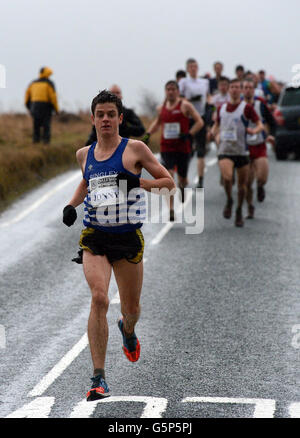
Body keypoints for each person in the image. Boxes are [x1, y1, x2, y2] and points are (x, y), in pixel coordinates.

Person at [62, 90, 175, 401]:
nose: (106, 119)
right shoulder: (83, 154)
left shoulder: (135, 149)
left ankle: (128, 329)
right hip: (95, 236)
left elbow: (168, 184)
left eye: (112, 114)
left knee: (131, 309)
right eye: (101, 114)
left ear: (120, 118)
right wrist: (72, 206)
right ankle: (99, 379)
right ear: (93, 119)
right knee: (99, 298)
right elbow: (87, 181)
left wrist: (139, 182)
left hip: (127, 238)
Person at [143, 80, 204, 220]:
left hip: (183, 148)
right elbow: (157, 123)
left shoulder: (185, 105)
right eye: (168, 89)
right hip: (167, 148)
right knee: (168, 176)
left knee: (182, 178)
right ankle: (170, 209)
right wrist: (148, 134)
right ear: (165, 91)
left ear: (177, 91)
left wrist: (189, 134)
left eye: (173, 89)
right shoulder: (161, 108)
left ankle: (183, 187)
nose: (170, 92)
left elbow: (200, 122)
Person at [211, 79, 264, 227]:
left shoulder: (246, 108)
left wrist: (255, 130)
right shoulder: (221, 108)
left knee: (242, 186)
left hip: (241, 151)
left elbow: (259, 123)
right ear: (228, 90)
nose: (234, 90)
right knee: (227, 178)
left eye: (236, 87)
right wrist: (213, 133)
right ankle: (229, 199)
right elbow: (216, 125)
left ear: (240, 91)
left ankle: (239, 210)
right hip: (225, 150)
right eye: (231, 87)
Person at [242, 79, 277, 218]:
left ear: (254, 89)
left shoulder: (260, 103)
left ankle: (261, 186)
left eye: (251, 87)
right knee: (247, 182)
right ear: (242, 89)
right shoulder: (238, 105)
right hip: (244, 147)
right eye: (245, 87)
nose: (248, 90)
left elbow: (272, 121)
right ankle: (250, 207)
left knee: (262, 176)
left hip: (259, 144)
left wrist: (272, 136)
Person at [179, 58, 211, 188]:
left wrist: (210, 106)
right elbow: (179, 97)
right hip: (188, 118)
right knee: (186, 151)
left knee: (201, 150)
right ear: (187, 69)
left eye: (195, 66)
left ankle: (201, 179)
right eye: (191, 66)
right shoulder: (183, 81)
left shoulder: (204, 82)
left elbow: (208, 97)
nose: (193, 68)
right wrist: (191, 99)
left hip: (200, 117)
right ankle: (183, 178)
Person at [24, 67, 59, 144]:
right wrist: (56, 109)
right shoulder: (49, 83)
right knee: (46, 126)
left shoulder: (33, 83)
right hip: (46, 107)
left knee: (36, 125)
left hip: (34, 106)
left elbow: (27, 96)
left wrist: (29, 107)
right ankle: (46, 143)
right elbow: (53, 97)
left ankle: (35, 142)